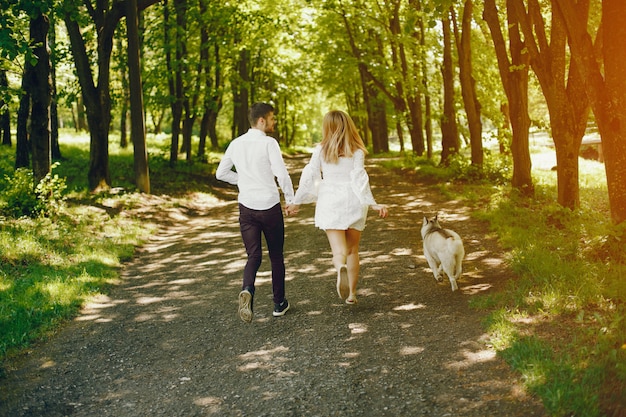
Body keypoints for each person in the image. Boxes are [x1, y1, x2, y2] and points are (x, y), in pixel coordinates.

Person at [287, 110, 388, 304]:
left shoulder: (321, 150)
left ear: (327, 127)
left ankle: (339, 266)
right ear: (349, 125)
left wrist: (296, 201)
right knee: (353, 250)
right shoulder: (357, 151)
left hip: (330, 201)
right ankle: (351, 294)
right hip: (353, 200)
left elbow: (310, 176)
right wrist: (373, 203)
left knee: (339, 252)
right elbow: (359, 178)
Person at [216, 102, 297, 323]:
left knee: (254, 255)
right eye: (272, 118)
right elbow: (281, 174)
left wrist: (241, 180)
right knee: (276, 256)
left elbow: (221, 173)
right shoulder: (269, 143)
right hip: (269, 207)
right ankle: (279, 304)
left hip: (247, 208)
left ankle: (248, 289)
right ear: (261, 120)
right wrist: (290, 200)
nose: (274, 121)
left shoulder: (236, 144)